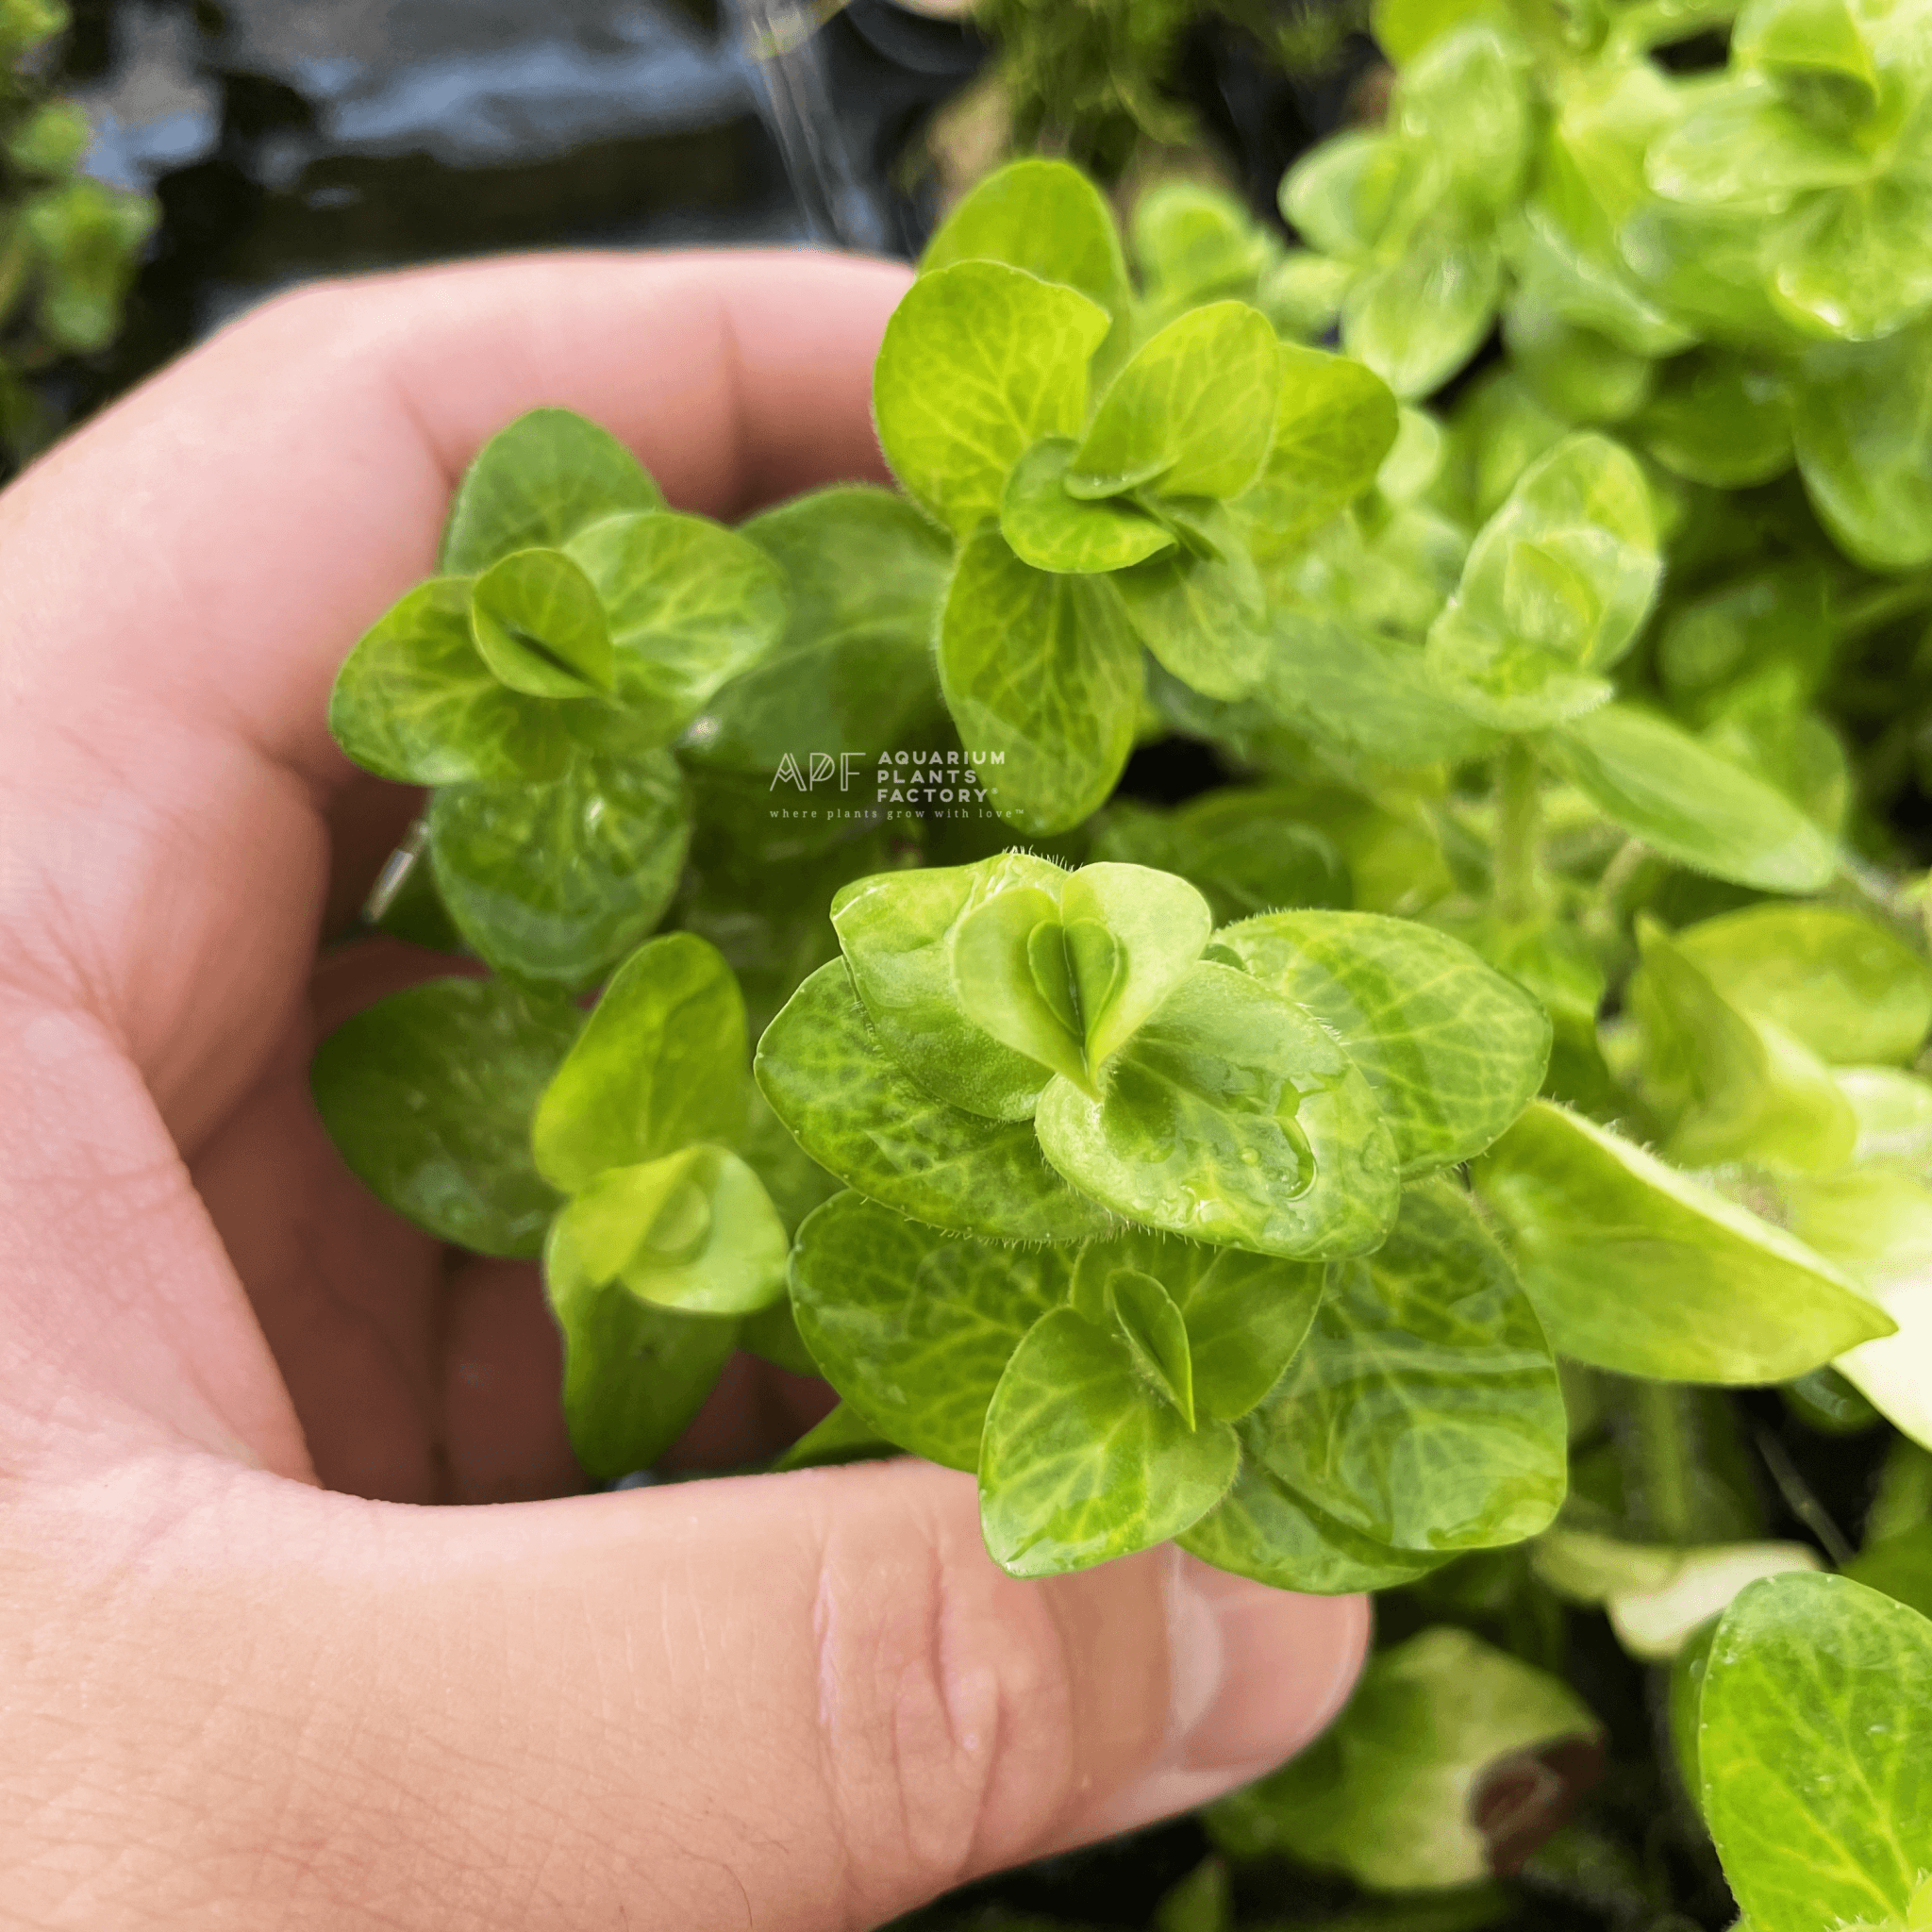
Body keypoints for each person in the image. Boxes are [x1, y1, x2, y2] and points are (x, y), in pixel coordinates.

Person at [0, 252, 1367, 1929]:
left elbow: (902, 763)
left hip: (967, 926)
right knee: (851, 861)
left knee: (902, 822)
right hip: (824, 965)